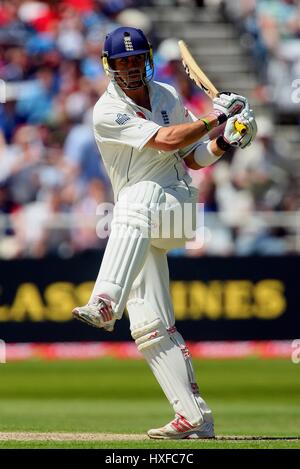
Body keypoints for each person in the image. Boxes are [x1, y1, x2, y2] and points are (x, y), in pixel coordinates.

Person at [73, 27, 257, 439]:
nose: (131, 67)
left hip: (175, 209)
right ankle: (194, 417)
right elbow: (170, 141)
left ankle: (104, 300)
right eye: (122, 62)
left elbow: (189, 159)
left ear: (147, 58)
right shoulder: (106, 110)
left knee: (134, 200)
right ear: (110, 67)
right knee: (150, 325)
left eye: (136, 58)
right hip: (142, 225)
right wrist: (225, 133)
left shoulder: (168, 96)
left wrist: (220, 134)